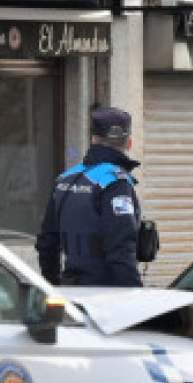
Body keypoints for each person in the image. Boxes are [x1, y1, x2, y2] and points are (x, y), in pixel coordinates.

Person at [36, 106, 143, 287]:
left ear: (93, 139)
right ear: (129, 143)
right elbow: (120, 248)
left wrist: (54, 286)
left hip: (71, 287)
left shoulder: (65, 180)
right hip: (107, 293)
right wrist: (136, 294)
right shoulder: (115, 182)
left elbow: (47, 243)